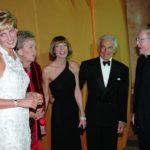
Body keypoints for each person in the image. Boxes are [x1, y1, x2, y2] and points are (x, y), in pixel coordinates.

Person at [0, 9, 43, 149]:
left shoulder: (15, 57)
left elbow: (10, 91)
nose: (10, 38)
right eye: (2, 34)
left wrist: (29, 95)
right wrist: (21, 102)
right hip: (5, 126)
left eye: (11, 31)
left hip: (21, 124)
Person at [79, 34, 129, 150]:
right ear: (98, 48)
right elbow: (77, 88)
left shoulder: (122, 69)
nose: (106, 51)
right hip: (93, 116)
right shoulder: (87, 65)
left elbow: (123, 96)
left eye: (110, 47)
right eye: (103, 47)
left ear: (114, 49)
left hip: (112, 117)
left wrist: (122, 119)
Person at [42, 35, 86, 150]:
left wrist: (82, 115)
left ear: (68, 48)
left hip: (72, 110)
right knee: (60, 143)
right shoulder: (47, 71)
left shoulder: (74, 66)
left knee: (74, 143)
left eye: (64, 45)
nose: (62, 49)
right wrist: (41, 120)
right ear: (54, 50)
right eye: (58, 46)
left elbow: (77, 91)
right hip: (59, 113)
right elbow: (46, 97)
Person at [15, 30, 46, 150]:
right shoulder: (13, 70)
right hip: (20, 123)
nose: (35, 51)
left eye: (35, 47)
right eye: (31, 47)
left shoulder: (36, 67)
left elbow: (40, 92)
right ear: (20, 51)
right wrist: (28, 114)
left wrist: (41, 113)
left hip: (36, 122)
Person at [132, 24, 150, 150]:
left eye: (140, 40)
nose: (137, 43)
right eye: (137, 40)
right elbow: (137, 89)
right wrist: (135, 112)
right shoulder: (140, 61)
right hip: (142, 118)